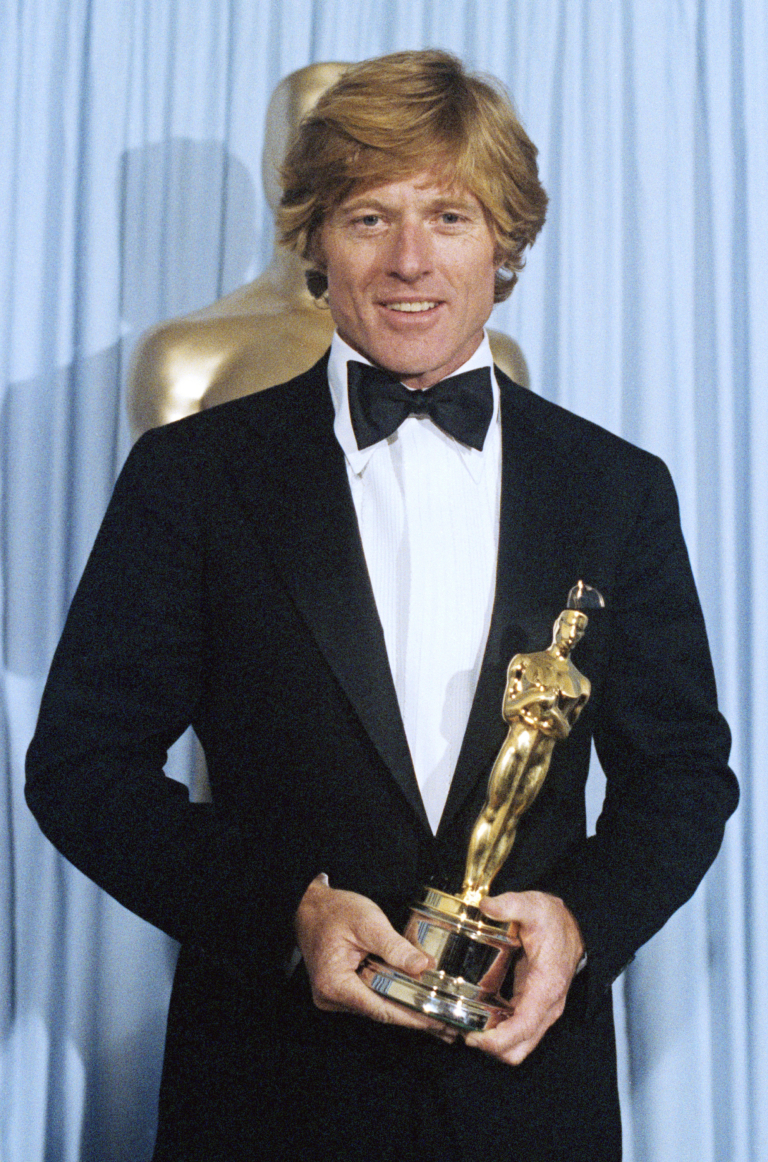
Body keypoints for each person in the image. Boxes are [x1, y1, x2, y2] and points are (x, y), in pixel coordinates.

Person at [26, 50, 737, 1162]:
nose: (410, 261)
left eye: (449, 216)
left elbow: (687, 772)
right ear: (314, 241)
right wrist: (285, 915)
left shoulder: (616, 488)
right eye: (368, 217)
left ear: (505, 245)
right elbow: (80, 765)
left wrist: (583, 920)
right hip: (267, 1096)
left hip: (528, 1101)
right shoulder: (195, 477)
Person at [127, 62, 530, 439]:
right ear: (273, 160)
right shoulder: (183, 356)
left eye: (448, 218)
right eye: (307, 144)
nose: (410, 262)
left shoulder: (497, 362)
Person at [461, 607, 591, 905]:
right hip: (518, 744)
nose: (572, 635)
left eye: (579, 630)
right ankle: (469, 887)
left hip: (540, 755)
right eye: (569, 626)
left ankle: (482, 892)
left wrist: (549, 711)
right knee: (494, 810)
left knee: (511, 819)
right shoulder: (528, 662)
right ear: (558, 624)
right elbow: (510, 708)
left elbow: (565, 729)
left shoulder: (580, 683)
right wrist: (539, 699)